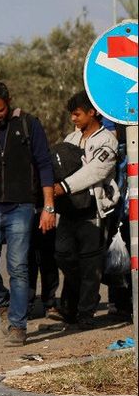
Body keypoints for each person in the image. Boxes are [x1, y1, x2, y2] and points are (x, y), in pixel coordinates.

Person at [0, 81, 56, 346]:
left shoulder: (29, 124)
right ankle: (2, 301)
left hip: (21, 207)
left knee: (18, 267)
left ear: (8, 101)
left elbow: (45, 165)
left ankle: (18, 325)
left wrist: (48, 207)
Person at [51, 91, 120, 328]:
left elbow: (95, 172)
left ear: (92, 113)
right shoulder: (71, 139)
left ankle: (85, 313)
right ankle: (75, 305)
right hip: (69, 211)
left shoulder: (107, 140)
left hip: (94, 211)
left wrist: (64, 186)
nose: (74, 119)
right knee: (63, 255)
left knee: (91, 263)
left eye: (77, 114)